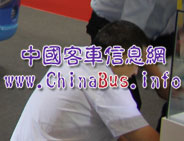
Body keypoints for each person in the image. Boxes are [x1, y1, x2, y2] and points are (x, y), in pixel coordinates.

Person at [11, 20, 159, 141]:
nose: (136, 72)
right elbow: (147, 138)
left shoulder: (76, 55)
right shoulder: (105, 82)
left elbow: (122, 128)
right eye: (136, 63)